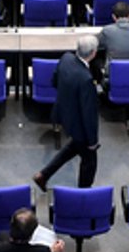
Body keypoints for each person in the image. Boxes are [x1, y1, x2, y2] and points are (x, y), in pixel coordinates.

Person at [32, 37, 101, 193]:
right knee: (89, 159)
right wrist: (92, 141)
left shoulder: (66, 58)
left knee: (72, 148)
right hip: (79, 124)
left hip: (64, 114)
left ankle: (43, 175)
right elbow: (88, 113)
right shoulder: (86, 79)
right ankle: (84, 193)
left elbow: (55, 81)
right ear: (93, 53)